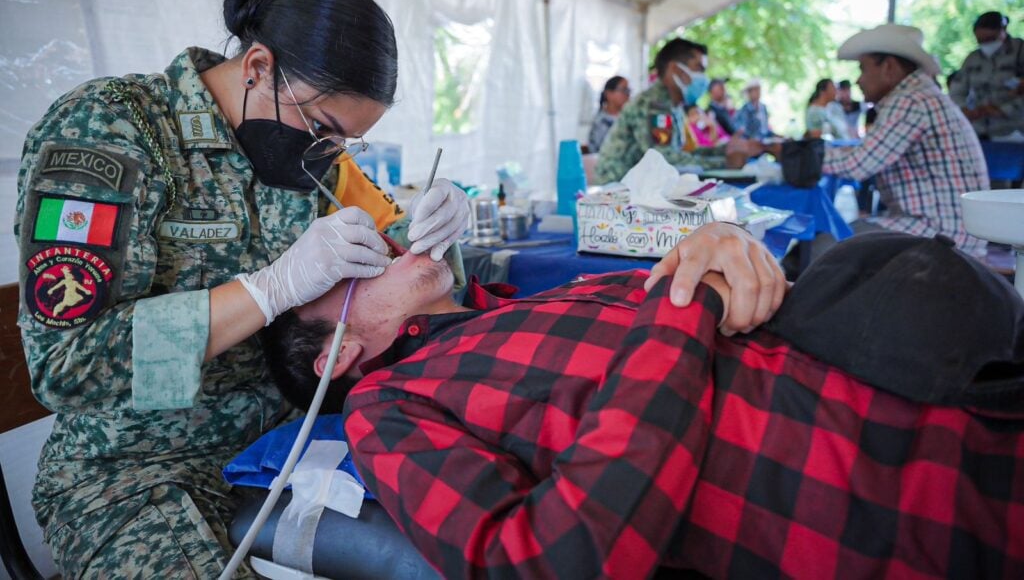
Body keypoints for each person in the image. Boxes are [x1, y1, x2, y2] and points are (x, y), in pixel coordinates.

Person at [14, 0, 470, 578]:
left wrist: (436, 230)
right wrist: (266, 290)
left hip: (286, 448)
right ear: (258, 67)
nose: (331, 153)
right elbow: (69, 365)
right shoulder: (114, 131)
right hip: (136, 471)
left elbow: (395, 250)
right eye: (325, 128)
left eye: (348, 142)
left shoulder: (312, 157)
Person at [264, 228, 1024, 579]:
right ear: (338, 352)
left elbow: (719, 294)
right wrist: (684, 305)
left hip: (950, 380)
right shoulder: (388, 407)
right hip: (901, 484)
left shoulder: (509, 308)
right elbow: (543, 563)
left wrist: (723, 245)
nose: (391, 246)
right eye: (353, 267)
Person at [805, 24, 990, 256]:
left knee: (825, 249)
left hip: (943, 235)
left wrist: (799, 155)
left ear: (889, 67)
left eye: (863, 69)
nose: (859, 80)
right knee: (838, 238)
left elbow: (857, 164)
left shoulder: (911, 100)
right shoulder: (919, 96)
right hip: (948, 230)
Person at [594, 39, 760, 183]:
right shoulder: (653, 103)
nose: (703, 77)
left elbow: (681, 152)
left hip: (641, 185)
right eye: (698, 68)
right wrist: (725, 163)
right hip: (616, 189)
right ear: (675, 69)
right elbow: (665, 159)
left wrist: (724, 150)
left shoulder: (673, 105)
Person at [949, 11, 1024, 141]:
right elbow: (956, 90)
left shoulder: (1020, 52)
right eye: (980, 41)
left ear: (1003, 31)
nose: (985, 44)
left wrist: (1002, 110)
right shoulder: (972, 59)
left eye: (990, 39)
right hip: (979, 132)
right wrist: (964, 109)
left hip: (1015, 132)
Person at [587, 75, 630, 153]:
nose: (627, 95)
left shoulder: (628, 117)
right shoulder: (601, 122)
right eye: (624, 90)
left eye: (628, 90)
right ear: (609, 94)